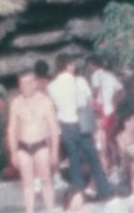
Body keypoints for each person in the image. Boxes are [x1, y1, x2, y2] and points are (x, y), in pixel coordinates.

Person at [48, 54, 114, 201]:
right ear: (69, 65)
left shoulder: (51, 86)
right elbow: (89, 101)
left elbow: (52, 108)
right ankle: (105, 192)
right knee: (93, 159)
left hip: (65, 126)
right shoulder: (79, 81)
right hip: (82, 125)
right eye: (73, 64)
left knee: (74, 161)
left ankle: (77, 195)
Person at [6, 70, 60, 213]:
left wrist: (55, 151)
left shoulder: (45, 101)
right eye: (22, 83)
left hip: (41, 144)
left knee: (46, 180)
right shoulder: (16, 103)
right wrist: (13, 152)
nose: (25, 86)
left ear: (35, 83)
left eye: (28, 82)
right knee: (27, 183)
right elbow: (12, 129)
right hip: (23, 146)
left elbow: (53, 128)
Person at [88, 56, 124, 179]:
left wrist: (90, 102)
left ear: (92, 65)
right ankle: (116, 164)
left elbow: (96, 91)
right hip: (112, 111)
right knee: (109, 139)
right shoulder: (110, 75)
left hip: (101, 112)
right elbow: (121, 92)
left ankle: (106, 168)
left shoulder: (95, 76)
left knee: (102, 141)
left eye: (89, 65)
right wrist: (115, 103)